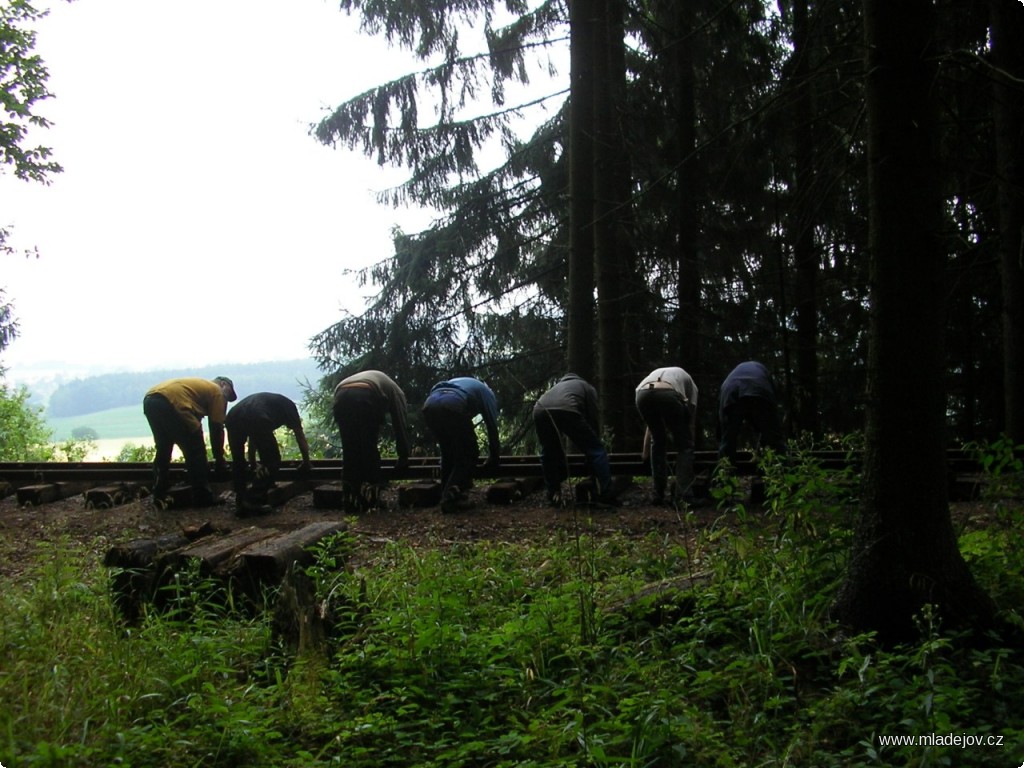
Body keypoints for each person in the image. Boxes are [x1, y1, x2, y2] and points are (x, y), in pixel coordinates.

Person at [142, 376, 237, 508]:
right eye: (229, 393)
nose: (226, 399)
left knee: (164, 447)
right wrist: (219, 458)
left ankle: (159, 491)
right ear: (223, 384)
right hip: (172, 402)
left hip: (151, 400)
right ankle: (202, 498)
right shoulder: (217, 391)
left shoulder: (199, 389)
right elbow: (216, 428)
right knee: (195, 450)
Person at [332, 370, 411, 512]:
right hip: (366, 394)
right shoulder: (397, 393)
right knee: (369, 449)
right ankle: (372, 500)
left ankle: (350, 500)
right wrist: (404, 455)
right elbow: (400, 424)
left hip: (341, 394)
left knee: (350, 451)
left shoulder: (382, 381)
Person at [224, 392, 312, 516]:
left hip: (233, 416)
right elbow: (300, 436)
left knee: (238, 461)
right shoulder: (289, 408)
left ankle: (241, 500)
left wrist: (253, 462)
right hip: (255, 416)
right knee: (272, 460)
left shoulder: (271, 407)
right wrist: (307, 462)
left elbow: (254, 436)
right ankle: (253, 500)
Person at [422, 376, 501, 513]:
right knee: (470, 454)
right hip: (453, 403)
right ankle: (450, 500)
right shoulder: (488, 395)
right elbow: (492, 426)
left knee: (448, 453)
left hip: (430, 404)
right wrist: (494, 456)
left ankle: (447, 493)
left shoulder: (463, 384)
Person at [533, 373, 613, 506]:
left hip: (539, 409)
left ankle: (553, 493)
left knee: (549, 452)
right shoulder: (586, 387)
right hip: (567, 409)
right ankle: (607, 494)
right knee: (596, 450)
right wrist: (593, 443)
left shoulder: (557, 387)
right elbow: (593, 417)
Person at [635, 366, 699, 505]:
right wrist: (689, 443)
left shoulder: (657, 373)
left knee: (658, 441)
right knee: (684, 446)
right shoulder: (691, 386)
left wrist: (645, 450)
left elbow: (650, 428)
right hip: (668, 393)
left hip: (642, 393)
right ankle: (683, 496)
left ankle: (658, 494)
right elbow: (690, 421)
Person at [718, 360, 787, 463]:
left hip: (731, 391)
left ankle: (725, 470)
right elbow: (770, 417)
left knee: (729, 437)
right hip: (758, 391)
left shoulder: (736, 373)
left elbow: (724, 421)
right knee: (773, 436)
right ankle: (785, 467)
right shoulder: (763, 372)